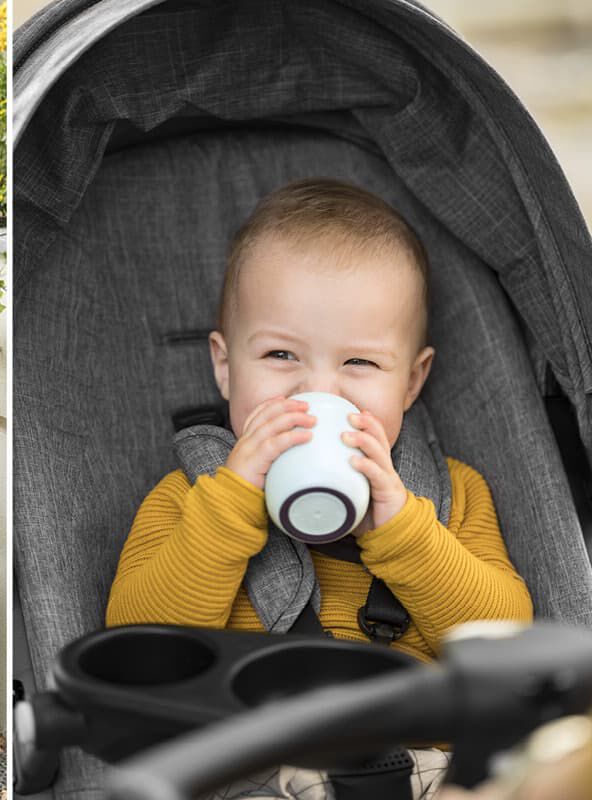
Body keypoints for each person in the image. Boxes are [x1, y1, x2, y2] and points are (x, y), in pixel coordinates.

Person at [105, 178, 535, 797]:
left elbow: (505, 642)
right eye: (281, 355)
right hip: (253, 773)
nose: (320, 393)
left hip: (426, 766)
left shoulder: (448, 496)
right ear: (225, 368)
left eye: (359, 363)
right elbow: (137, 648)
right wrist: (229, 509)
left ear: (411, 384)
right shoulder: (190, 500)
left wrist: (405, 534)